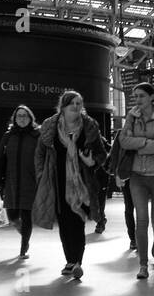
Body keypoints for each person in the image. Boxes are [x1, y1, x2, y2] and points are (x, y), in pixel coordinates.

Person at [32, 90, 103, 280]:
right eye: (72, 103)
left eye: (79, 103)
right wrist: (41, 175)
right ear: (63, 106)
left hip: (82, 182)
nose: (76, 106)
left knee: (77, 221)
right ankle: (70, 260)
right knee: (64, 223)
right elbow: (39, 154)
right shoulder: (50, 125)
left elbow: (101, 154)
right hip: (57, 181)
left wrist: (91, 162)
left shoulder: (89, 126)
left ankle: (77, 261)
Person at [119, 83, 154, 279]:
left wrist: (137, 143)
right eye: (135, 96)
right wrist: (147, 143)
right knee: (141, 220)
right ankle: (142, 265)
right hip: (137, 177)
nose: (137, 100)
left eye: (141, 96)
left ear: (151, 97)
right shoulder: (131, 117)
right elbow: (123, 141)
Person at [0, 104, 38, 259]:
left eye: (25, 115)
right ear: (14, 118)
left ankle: (24, 247)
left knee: (26, 216)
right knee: (12, 217)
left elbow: (43, 158)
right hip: (11, 182)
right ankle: (23, 233)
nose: (22, 118)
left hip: (30, 182)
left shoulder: (36, 135)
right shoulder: (8, 135)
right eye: (19, 115)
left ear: (30, 118)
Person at [92, 107, 115, 234]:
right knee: (94, 200)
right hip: (91, 175)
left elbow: (111, 152)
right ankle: (102, 219)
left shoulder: (102, 141)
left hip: (102, 175)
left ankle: (101, 222)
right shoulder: (85, 140)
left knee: (100, 200)